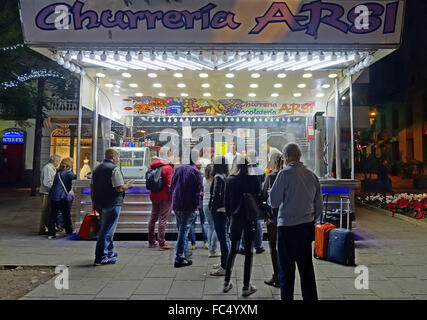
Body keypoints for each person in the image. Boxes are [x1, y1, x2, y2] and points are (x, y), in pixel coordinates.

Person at [268, 143, 322, 301]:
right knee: (307, 271)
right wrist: (312, 222)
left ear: (286, 156)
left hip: (287, 230)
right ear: (299, 156)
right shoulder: (311, 175)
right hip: (306, 228)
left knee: (286, 272)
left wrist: (270, 193)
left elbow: (274, 202)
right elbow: (319, 206)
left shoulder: (284, 174)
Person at [223, 155, 261, 297]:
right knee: (249, 252)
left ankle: (226, 283)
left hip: (235, 218)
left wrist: (229, 217)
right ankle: (246, 286)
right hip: (250, 219)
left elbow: (226, 202)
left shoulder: (230, 180)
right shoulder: (253, 179)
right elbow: (259, 197)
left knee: (233, 249)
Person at [92, 149, 135, 266]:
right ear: (112, 156)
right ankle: (101, 257)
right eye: (117, 156)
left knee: (106, 228)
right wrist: (128, 185)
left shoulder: (97, 168)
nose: (118, 158)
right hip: (112, 202)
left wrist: (93, 202)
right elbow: (119, 188)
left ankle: (109, 251)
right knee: (106, 231)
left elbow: (92, 186)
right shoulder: (114, 169)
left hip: (100, 203)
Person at [170, 149, 203, 268]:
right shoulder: (196, 172)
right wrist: (196, 205)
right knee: (183, 231)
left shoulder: (178, 169)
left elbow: (172, 186)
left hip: (177, 204)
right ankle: (179, 257)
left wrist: (173, 199)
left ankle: (184, 253)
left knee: (181, 230)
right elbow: (197, 192)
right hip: (188, 205)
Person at [260, 153, 283, 288]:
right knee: (284, 249)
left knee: (274, 249)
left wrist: (266, 216)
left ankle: (277, 276)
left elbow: (263, 196)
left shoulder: (270, 177)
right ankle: (283, 275)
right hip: (287, 219)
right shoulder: (286, 176)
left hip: (273, 219)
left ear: (272, 162)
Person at [238, 150, 265, 255]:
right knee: (257, 223)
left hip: (245, 201)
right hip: (256, 200)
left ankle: (243, 246)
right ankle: (258, 246)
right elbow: (262, 187)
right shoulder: (261, 171)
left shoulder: (245, 171)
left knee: (245, 223)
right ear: (256, 157)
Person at [147, 147, 174, 250]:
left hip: (154, 195)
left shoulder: (152, 165)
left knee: (153, 218)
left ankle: (151, 241)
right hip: (165, 197)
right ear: (167, 154)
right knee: (162, 219)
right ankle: (162, 243)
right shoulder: (167, 167)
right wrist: (172, 197)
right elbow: (169, 185)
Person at [209, 156, 230, 276]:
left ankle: (224, 267)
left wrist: (212, 208)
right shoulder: (225, 176)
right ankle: (225, 262)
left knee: (223, 239)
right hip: (225, 211)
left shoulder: (217, 177)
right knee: (225, 238)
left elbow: (216, 196)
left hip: (219, 212)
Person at [47, 157, 77, 239]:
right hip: (62, 196)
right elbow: (76, 179)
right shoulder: (68, 173)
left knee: (53, 214)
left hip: (54, 196)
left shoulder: (58, 172)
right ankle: (69, 230)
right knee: (66, 214)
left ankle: (51, 233)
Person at [189, 159, 208, 250]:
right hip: (201, 199)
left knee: (192, 223)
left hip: (192, 200)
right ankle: (206, 242)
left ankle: (193, 244)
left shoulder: (190, 176)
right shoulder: (202, 176)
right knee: (203, 221)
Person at [39, 155, 60, 235]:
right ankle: (43, 228)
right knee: (45, 211)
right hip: (46, 192)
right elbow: (47, 182)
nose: (58, 163)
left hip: (49, 192)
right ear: (54, 161)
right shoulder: (48, 168)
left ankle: (48, 227)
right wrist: (54, 188)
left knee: (48, 211)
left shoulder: (51, 168)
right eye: (58, 161)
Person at [203, 164, 219, 257]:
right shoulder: (215, 180)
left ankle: (211, 249)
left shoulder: (204, 179)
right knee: (216, 227)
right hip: (213, 204)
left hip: (205, 204)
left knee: (210, 226)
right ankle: (213, 249)